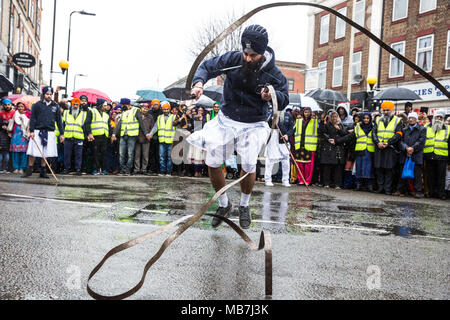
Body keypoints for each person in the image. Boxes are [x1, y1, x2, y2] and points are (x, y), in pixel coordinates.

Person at [188, 24, 289, 229]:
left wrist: (272, 96)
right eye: (245, 53)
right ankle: (224, 204)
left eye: (253, 55)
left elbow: (284, 98)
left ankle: (244, 204)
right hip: (227, 119)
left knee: (249, 164)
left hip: (254, 123)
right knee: (213, 161)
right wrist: (199, 83)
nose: (248, 58)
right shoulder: (233, 59)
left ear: (262, 52)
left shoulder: (275, 74)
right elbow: (206, 67)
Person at [22, 86, 65, 178]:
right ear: (43, 94)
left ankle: (43, 170)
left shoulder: (55, 106)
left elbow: (59, 121)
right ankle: (29, 169)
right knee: (33, 151)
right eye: (47, 94)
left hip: (50, 132)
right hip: (38, 131)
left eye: (50, 94)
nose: (49, 96)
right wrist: (32, 131)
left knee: (46, 152)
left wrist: (62, 133)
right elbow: (33, 118)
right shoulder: (37, 105)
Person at [111, 98, 151, 175]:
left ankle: (128, 170)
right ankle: (122, 170)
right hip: (123, 135)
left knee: (130, 154)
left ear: (128, 104)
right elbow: (119, 124)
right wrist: (114, 134)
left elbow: (141, 123)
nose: (122, 106)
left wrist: (146, 133)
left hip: (132, 136)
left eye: (123, 105)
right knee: (121, 154)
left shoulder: (136, 110)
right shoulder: (124, 113)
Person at [372, 101, 403, 195]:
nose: (385, 112)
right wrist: (378, 143)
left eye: (387, 110)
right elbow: (374, 133)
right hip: (379, 147)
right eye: (384, 110)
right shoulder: (378, 120)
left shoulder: (397, 120)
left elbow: (399, 134)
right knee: (379, 168)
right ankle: (380, 188)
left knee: (389, 169)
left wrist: (388, 143)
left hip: (390, 148)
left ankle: (387, 189)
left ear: (392, 110)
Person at [393, 112, 425, 198]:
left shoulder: (422, 129)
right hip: (405, 154)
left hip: (416, 154)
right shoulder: (405, 129)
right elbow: (400, 141)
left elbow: (421, 141)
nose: (411, 119)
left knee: (417, 174)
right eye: (410, 118)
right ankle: (400, 190)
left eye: (413, 118)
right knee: (402, 173)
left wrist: (412, 148)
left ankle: (418, 191)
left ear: (416, 119)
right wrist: (406, 148)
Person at [319, 110, 353, 188]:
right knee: (327, 166)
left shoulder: (341, 125)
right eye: (332, 117)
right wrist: (328, 139)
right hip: (329, 148)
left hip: (339, 148)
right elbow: (323, 133)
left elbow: (345, 134)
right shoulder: (327, 125)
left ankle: (337, 183)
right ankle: (326, 183)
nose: (334, 118)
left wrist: (339, 129)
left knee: (338, 167)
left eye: (335, 116)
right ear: (330, 118)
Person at [148, 101, 181, 176]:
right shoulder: (159, 117)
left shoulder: (173, 117)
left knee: (169, 157)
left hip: (170, 141)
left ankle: (168, 172)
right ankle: (162, 171)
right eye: (164, 109)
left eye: (167, 109)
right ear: (162, 110)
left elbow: (177, 128)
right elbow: (155, 127)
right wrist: (151, 134)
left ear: (169, 109)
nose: (166, 110)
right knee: (161, 157)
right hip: (162, 141)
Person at [62, 98, 93, 175]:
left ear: (79, 105)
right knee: (67, 154)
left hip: (79, 137)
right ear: (71, 105)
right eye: (74, 104)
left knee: (78, 155)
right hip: (68, 136)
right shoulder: (66, 112)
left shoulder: (84, 113)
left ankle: (78, 169)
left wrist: (88, 134)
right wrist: (62, 135)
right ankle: (66, 169)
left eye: (77, 104)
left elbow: (86, 125)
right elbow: (62, 124)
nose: (75, 106)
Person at [423, 110, 449, 200]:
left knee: (441, 177)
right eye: (436, 117)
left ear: (443, 119)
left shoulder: (448, 129)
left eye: (440, 117)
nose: (438, 119)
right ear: (433, 118)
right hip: (429, 155)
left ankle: (441, 193)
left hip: (442, 156)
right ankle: (431, 192)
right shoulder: (426, 127)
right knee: (430, 176)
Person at [265, 107, 294, 187]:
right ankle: (268, 179)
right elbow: (266, 124)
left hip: (284, 142)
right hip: (273, 140)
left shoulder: (288, 115)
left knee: (286, 161)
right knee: (270, 160)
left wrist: (287, 135)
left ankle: (285, 180)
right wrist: (272, 121)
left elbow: (291, 128)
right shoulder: (270, 114)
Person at [292, 106, 318, 185]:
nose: (307, 114)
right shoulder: (299, 120)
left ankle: (307, 180)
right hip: (300, 145)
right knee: (299, 164)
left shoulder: (314, 121)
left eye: (308, 112)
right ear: (303, 113)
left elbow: (319, 129)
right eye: (305, 112)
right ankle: (301, 180)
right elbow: (294, 131)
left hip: (310, 146)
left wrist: (317, 119)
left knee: (308, 166)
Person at [354, 113, 375, 192]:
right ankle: (358, 185)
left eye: (368, 118)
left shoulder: (374, 127)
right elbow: (353, 137)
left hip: (370, 150)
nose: (366, 120)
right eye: (364, 118)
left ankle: (369, 185)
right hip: (360, 150)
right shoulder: (357, 127)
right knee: (359, 167)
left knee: (369, 169)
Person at [90, 99, 111, 175]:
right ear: (100, 105)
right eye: (104, 105)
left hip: (104, 135)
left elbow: (108, 125)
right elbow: (88, 123)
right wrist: (89, 133)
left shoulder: (106, 115)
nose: (106, 107)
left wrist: (111, 134)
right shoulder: (92, 112)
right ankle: (95, 169)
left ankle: (104, 169)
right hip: (95, 135)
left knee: (104, 153)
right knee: (95, 153)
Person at [9, 102, 30, 174]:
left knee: (23, 152)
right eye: (19, 106)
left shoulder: (28, 114)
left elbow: (29, 124)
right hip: (15, 135)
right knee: (15, 152)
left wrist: (24, 119)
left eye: (22, 106)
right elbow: (11, 123)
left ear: (25, 107)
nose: (20, 108)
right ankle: (16, 168)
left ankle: (22, 168)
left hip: (24, 136)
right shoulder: (15, 113)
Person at [134, 103, 154, 175]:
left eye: (146, 108)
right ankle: (137, 169)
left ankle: (144, 169)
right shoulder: (137, 115)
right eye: (143, 108)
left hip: (146, 138)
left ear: (148, 109)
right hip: (137, 137)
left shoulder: (150, 117)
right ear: (141, 108)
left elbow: (152, 127)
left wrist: (150, 134)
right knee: (137, 155)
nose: (145, 109)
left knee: (145, 155)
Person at [149, 99, 162, 174]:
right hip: (151, 135)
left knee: (158, 153)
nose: (155, 106)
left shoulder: (161, 113)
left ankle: (158, 169)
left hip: (159, 135)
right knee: (151, 153)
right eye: (154, 104)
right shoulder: (150, 112)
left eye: (157, 104)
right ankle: (152, 168)